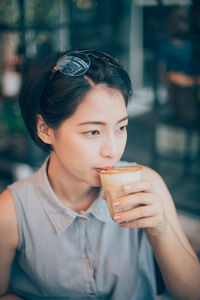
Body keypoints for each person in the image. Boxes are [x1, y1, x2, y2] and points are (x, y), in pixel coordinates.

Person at [0, 49, 199, 300]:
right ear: (45, 130)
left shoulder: (147, 186)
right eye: (93, 132)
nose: (112, 151)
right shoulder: (10, 213)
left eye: (121, 127)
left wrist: (162, 228)